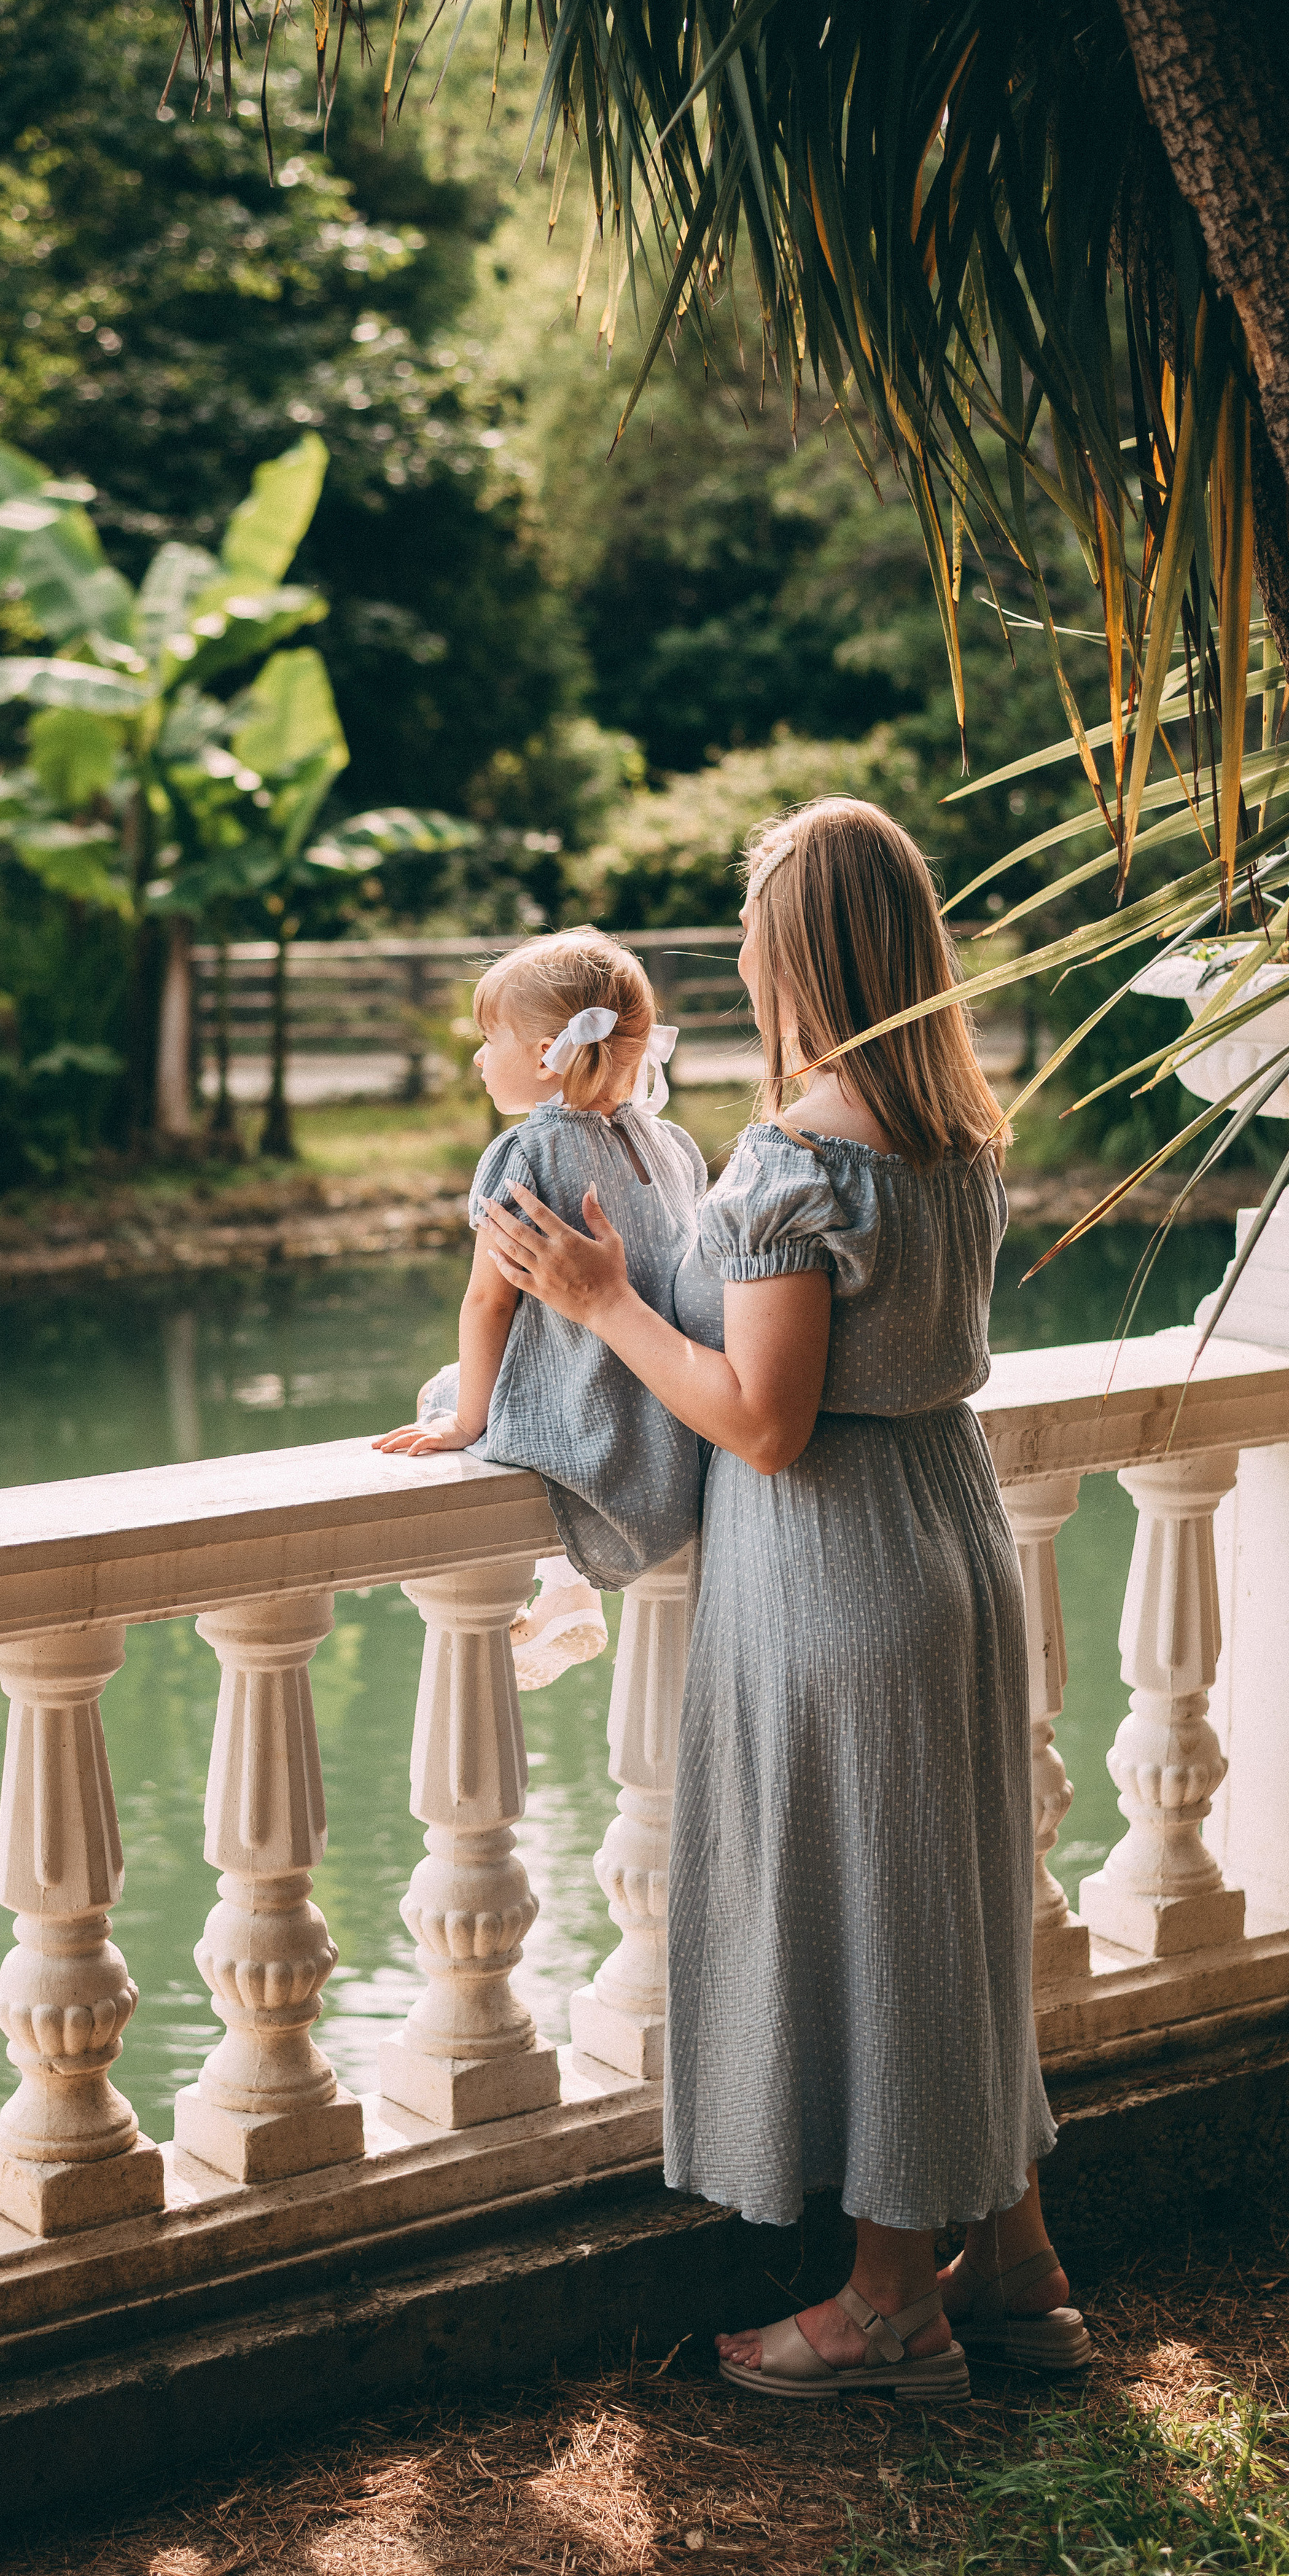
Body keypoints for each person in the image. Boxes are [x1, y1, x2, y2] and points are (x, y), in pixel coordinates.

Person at [474, 800, 1088, 2402]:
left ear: (796, 956)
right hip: (946, 1532)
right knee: (945, 1907)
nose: (739, 970)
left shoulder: (795, 1158)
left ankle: (886, 2303)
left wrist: (599, 1300)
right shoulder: (955, 1135)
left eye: (752, 942)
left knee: (876, 1924)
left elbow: (758, 1418)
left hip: (835, 1570)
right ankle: (1014, 2263)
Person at [375, 929, 706, 1687]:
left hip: (584, 1417)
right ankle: (566, 1590)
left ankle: (561, 1591)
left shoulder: (524, 1155)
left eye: (489, 1038)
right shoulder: (673, 1147)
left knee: (443, 1388)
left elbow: (489, 1302)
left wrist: (463, 1423)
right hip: (664, 1420)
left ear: (544, 1053)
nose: (477, 1058)